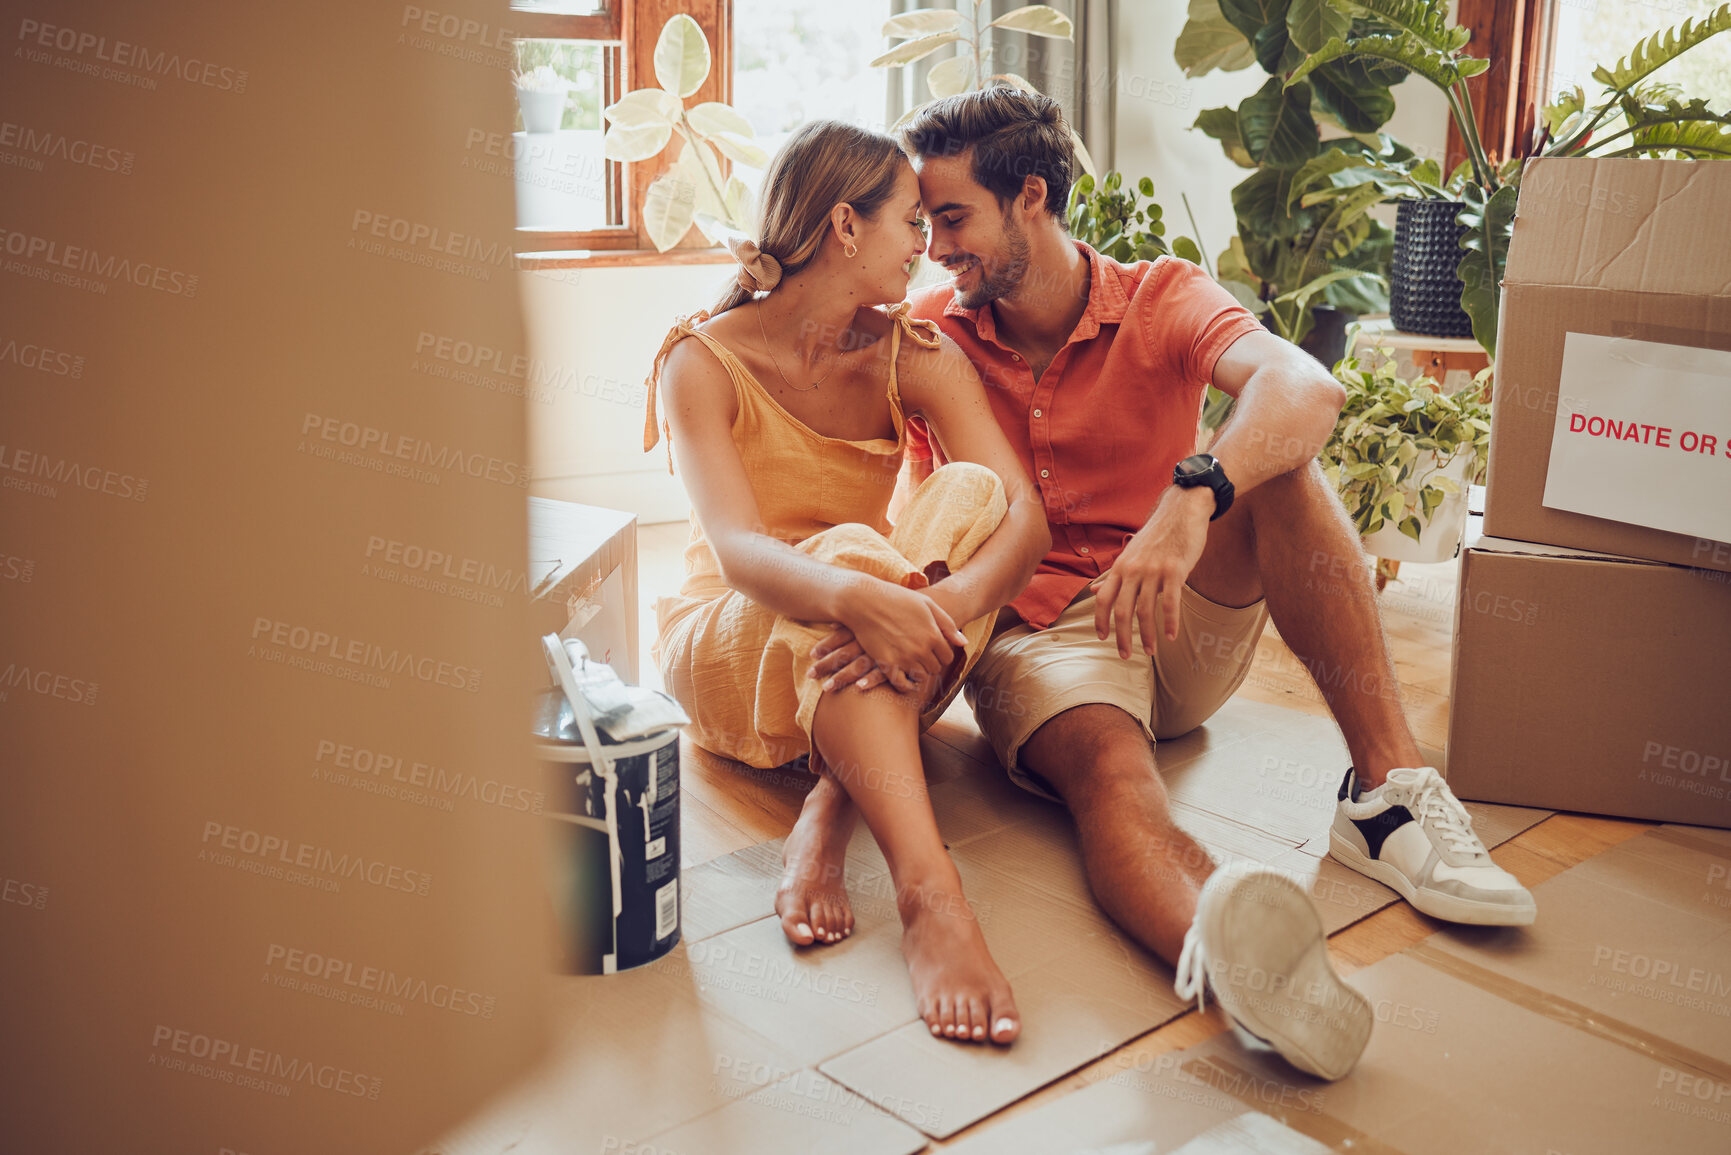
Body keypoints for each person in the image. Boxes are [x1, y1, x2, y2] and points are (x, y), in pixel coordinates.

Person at [809, 87, 1538, 1081]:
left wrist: (1191, 497)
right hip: (1044, 637)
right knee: (1114, 780)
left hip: (1178, 609)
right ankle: (1237, 960)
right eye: (925, 223)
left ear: (1031, 197)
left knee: (1283, 462)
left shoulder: (1160, 295)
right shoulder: (936, 332)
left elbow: (1304, 385)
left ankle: (1387, 796)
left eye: (951, 217)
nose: (936, 246)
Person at [644, 120, 1051, 1047]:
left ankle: (831, 799)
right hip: (729, 643)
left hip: (864, 633)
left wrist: (934, 604)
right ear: (843, 226)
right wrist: (862, 595)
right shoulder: (697, 361)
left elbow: (1019, 515)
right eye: (911, 220)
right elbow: (744, 552)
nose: (928, 245)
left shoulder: (914, 352)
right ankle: (931, 894)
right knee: (845, 553)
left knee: (972, 492)